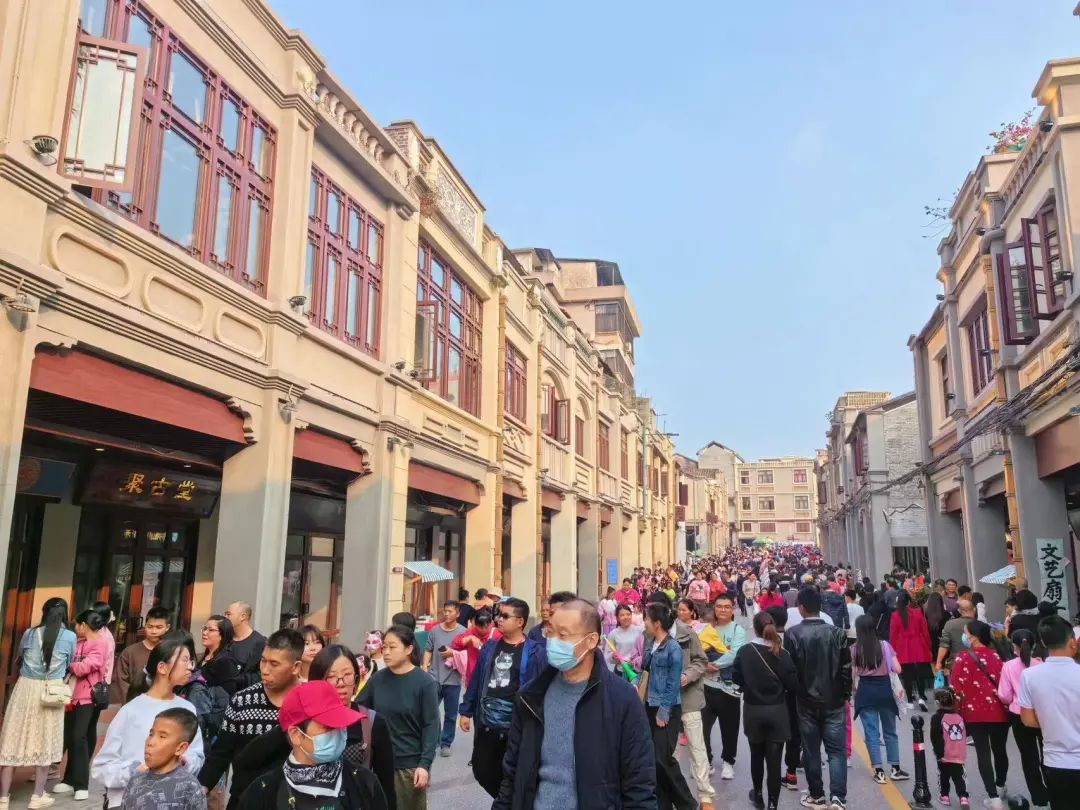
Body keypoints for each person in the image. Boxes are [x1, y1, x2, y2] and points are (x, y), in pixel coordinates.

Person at [493, 599, 655, 809]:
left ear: (591, 641)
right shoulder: (530, 696)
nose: (553, 641)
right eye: (550, 633)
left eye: (563, 635)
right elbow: (512, 771)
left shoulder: (622, 700)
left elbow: (640, 782)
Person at [93, 632, 206, 809]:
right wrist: (134, 772)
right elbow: (102, 767)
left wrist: (183, 762)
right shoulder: (131, 710)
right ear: (162, 668)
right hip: (127, 801)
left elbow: (197, 755)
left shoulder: (187, 709)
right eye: (185, 660)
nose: (190, 667)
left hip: (171, 800)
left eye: (191, 661)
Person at [236, 680, 388, 810]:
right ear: (296, 734)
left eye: (341, 724)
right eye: (328, 727)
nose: (339, 732)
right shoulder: (263, 793)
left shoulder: (364, 783)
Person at [198, 628, 304, 809]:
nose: (265, 670)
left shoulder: (308, 703)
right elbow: (221, 753)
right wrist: (201, 788)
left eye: (274, 664)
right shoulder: (241, 701)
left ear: (296, 667)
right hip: (244, 800)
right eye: (263, 661)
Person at [0, 597, 77, 809]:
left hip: (25, 688)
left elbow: (20, 659)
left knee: (13, 739)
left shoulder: (30, 633)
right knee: (46, 739)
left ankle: (3, 798)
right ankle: (37, 796)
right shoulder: (70, 636)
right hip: (51, 690)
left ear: (44, 612)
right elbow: (69, 663)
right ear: (65, 614)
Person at [784, 586, 852, 810]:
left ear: (801, 608)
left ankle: (817, 795)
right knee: (836, 751)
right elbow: (846, 668)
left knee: (811, 750)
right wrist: (845, 694)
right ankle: (838, 798)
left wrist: (797, 694)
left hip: (805, 702)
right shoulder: (837, 633)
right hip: (834, 700)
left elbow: (790, 670)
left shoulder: (792, 634)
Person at [357, 625, 438, 810]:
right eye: (384, 647)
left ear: (409, 649)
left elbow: (431, 725)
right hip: (378, 764)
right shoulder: (377, 679)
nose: (386, 652)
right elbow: (358, 710)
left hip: (408, 767)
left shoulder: (425, 683)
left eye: (392, 647)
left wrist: (424, 765)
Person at [459, 597, 531, 798]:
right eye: (498, 615)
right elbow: (477, 679)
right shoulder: (490, 647)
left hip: (515, 724)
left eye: (505, 616)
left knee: (511, 770)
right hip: (487, 721)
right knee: (481, 769)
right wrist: (466, 710)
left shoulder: (533, 651)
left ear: (520, 621)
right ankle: (505, 800)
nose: (499, 619)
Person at [734, 611, 800, 810]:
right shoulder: (783, 653)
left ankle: (758, 795)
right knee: (774, 762)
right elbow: (793, 684)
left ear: (754, 629)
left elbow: (736, 678)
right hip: (777, 711)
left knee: (756, 756)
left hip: (753, 710)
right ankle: (773, 804)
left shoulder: (745, 651)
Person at [1019, 615, 1080, 809]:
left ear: (1044, 643)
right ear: (1072, 642)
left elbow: (1027, 720)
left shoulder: (1029, 676)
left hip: (1055, 762)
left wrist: (1051, 721)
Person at [949, 620, 1009, 809]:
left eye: (966, 633)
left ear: (973, 637)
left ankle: (994, 797)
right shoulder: (997, 656)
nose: (964, 636)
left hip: (973, 712)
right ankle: (1000, 786)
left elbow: (955, 689)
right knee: (1000, 750)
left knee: (983, 752)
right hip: (1000, 711)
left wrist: (957, 712)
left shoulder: (962, 658)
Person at [642, 601, 695, 810]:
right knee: (653, 760)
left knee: (662, 759)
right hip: (649, 705)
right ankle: (663, 804)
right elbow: (645, 670)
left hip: (667, 708)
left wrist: (663, 711)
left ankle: (687, 803)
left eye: (647, 619)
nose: (644, 623)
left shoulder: (673, 648)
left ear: (657, 623)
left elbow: (673, 683)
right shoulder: (650, 643)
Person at [55, 609, 112, 801]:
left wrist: (68, 665)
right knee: (72, 737)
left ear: (84, 625)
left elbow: (84, 668)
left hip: (88, 698)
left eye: (77, 624)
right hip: (72, 696)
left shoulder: (101, 644)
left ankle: (81, 784)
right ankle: (69, 779)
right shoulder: (77, 642)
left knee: (79, 737)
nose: (75, 628)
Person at [851, 614, 908, 785]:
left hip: (865, 692)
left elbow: (853, 675)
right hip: (885, 691)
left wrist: (853, 692)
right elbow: (897, 668)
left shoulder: (854, 649)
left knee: (871, 733)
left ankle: (879, 771)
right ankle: (895, 768)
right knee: (890, 731)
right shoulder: (885, 645)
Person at [996, 629, 1048, 808]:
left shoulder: (1008, 666)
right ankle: (1052, 789)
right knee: (1047, 753)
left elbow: (1004, 695)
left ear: (1014, 646)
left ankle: (1039, 798)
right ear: (1034, 645)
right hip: (1041, 713)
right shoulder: (1041, 664)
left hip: (1018, 714)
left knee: (1028, 757)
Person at [120, 707, 206, 810]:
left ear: (180, 748)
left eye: (162, 737)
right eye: (151, 734)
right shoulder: (135, 780)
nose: (150, 742)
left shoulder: (190, 787)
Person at [700, 594, 745, 780]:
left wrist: (714, 665)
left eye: (727, 607)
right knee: (702, 728)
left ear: (732, 609)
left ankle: (728, 762)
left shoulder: (737, 630)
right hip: (705, 686)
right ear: (714, 608)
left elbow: (735, 654)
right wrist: (703, 665)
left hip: (728, 689)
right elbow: (696, 651)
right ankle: (707, 761)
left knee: (729, 728)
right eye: (719, 606)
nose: (723, 610)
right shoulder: (705, 628)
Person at [674, 600, 714, 810]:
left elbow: (701, 661)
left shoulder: (688, 634)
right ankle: (673, 794)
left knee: (697, 748)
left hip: (688, 698)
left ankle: (705, 795)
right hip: (663, 704)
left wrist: (687, 676)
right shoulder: (648, 636)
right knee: (668, 752)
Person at [422, 600, 465, 757]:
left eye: (450, 611)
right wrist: (425, 668)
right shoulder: (434, 630)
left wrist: (453, 653)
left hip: (453, 679)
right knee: (430, 711)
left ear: (458, 614)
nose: (446, 614)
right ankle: (432, 740)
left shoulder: (463, 632)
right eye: (445, 611)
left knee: (451, 714)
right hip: (434, 677)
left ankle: (446, 743)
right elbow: (428, 649)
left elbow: (467, 655)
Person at [114, 606, 172, 704]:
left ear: (167, 627)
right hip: (134, 703)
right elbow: (121, 681)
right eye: (150, 627)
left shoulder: (171, 652)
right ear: (145, 626)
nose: (154, 631)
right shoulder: (129, 652)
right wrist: (131, 703)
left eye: (159, 627)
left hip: (164, 704)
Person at [890, 591, 932, 712]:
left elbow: (893, 635)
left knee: (907, 675)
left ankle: (909, 700)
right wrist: (928, 646)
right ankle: (921, 697)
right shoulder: (918, 613)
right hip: (919, 645)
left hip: (903, 647)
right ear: (909, 602)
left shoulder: (895, 615)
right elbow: (925, 632)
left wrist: (892, 651)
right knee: (920, 674)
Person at [198, 616, 244, 697]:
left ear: (222, 635)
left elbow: (227, 694)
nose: (204, 632)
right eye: (205, 628)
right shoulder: (204, 656)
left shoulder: (226, 661)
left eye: (211, 630)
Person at [223, 601, 266, 689]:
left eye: (228, 614)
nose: (225, 618)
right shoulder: (225, 640)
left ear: (243, 616)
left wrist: (236, 680)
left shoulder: (260, 643)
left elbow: (260, 675)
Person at [935, 599, 976, 677]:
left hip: (955, 664)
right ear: (974, 609)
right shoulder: (982, 625)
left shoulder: (950, 624)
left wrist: (938, 662)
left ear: (959, 611)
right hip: (977, 664)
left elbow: (944, 645)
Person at [605, 604, 644, 676]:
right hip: (620, 671)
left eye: (628, 614)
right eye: (622, 615)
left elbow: (643, 651)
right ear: (617, 618)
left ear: (631, 615)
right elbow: (607, 655)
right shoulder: (613, 634)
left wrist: (636, 661)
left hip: (636, 671)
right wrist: (613, 656)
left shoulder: (639, 631)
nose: (626, 617)